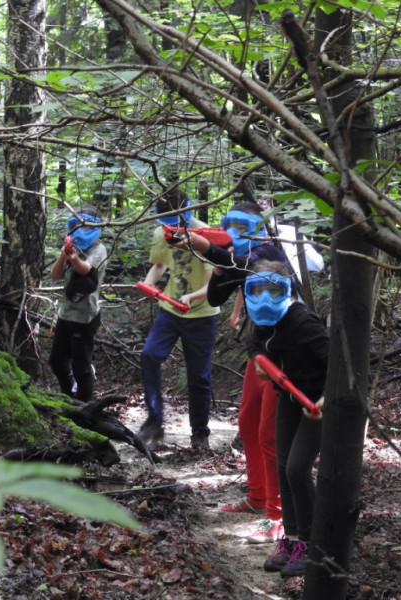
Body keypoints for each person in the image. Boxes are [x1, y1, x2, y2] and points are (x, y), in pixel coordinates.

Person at [174, 202, 293, 544]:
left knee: (270, 433)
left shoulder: (269, 253)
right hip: (259, 351)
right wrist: (216, 261)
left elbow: (250, 266)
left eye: (243, 226)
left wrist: (210, 250)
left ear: (260, 227)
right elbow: (215, 297)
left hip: (285, 355)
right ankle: (257, 497)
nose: (235, 232)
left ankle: (278, 515)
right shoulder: (234, 258)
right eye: (230, 226)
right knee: (247, 422)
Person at [242, 259, 328, 579]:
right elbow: (252, 343)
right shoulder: (259, 321)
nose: (265, 298)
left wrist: (325, 398)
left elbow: (339, 363)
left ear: (287, 290)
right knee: (282, 469)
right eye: (258, 290)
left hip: (319, 404)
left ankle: (312, 543)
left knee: (297, 469)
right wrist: (259, 360)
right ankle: (291, 540)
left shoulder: (303, 322)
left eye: (273, 290)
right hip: (290, 399)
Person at [137, 188, 220, 450]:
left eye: (175, 222)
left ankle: (200, 433)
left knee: (199, 376)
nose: (170, 228)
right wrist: (149, 284)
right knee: (150, 356)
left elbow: (213, 284)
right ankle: (154, 421)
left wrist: (192, 297)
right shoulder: (160, 233)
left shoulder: (203, 234)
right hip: (170, 310)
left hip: (202, 314)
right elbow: (159, 264)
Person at [49, 206, 108, 405]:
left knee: (81, 367)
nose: (79, 230)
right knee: (57, 362)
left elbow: (85, 269)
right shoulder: (72, 247)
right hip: (66, 314)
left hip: (84, 317)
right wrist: (63, 255)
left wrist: (73, 257)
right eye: (75, 225)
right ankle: (69, 397)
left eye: (83, 225)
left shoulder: (98, 250)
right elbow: (55, 276)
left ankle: (84, 407)